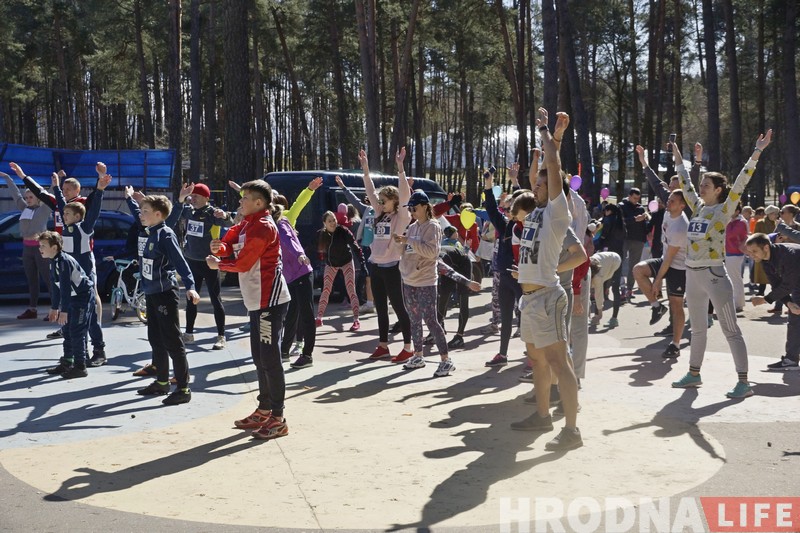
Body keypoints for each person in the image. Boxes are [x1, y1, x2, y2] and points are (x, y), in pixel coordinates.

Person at [670, 132, 772, 399]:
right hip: (693, 276)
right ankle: (694, 374)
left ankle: (744, 382)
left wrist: (757, 151)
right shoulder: (698, 208)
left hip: (715, 275)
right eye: (701, 184)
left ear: (718, 190)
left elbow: (741, 182)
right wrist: (679, 158)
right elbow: (685, 184)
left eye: (706, 184)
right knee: (699, 329)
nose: (700, 187)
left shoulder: (724, 209)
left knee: (730, 329)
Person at [510, 108, 582, 451]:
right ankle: (542, 415)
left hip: (548, 296)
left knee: (558, 362)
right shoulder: (537, 210)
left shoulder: (557, 210)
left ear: (554, 189)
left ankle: (572, 430)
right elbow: (545, 167)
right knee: (538, 361)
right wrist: (550, 141)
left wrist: (548, 131)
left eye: (539, 184)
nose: (534, 186)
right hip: (530, 297)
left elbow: (552, 168)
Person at [206, 180, 291, 440]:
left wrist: (218, 264)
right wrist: (218, 248)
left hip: (270, 301)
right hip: (255, 300)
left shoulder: (264, 226)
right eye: (241, 197)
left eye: (245, 198)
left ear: (259, 203)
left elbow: (242, 263)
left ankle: (278, 418)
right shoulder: (245, 224)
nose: (240, 202)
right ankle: (264, 408)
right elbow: (228, 244)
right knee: (259, 357)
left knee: (270, 359)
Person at [135, 195, 200, 406]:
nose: (141, 214)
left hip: (165, 294)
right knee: (155, 338)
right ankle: (162, 382)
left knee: (173, 340)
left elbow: (180, 263)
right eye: (141, 210)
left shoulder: (165, 234)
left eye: (145, 211)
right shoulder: (151, 233)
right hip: (152, 294)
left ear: (158, 215)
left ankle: (183, 388)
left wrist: (191, 286)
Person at [359, 148, 413, 362]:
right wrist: (365, 169)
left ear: (394, 200)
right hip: (375, 265)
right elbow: (370, 192)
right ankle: (383, 346)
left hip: (392, 266)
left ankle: (408, 347)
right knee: (381, 308)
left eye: (384, 200)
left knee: (399, 307)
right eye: (379, 200)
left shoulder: (401, 216)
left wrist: (400, 168)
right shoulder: (380, 214)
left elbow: (406, 195)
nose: (379, 202)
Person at [53, 166, 110, 368]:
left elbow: (93, 210)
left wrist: (100, 188)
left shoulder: (85, 227)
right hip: (71, 277)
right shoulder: (66, 229)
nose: (63, 215)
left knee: (90, 314)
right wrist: (56, 188)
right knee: (70, 314)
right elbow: (60, 203)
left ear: (77, 216)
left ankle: (99, 350)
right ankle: (76, 354)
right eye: (63, 213)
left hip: (85, 275)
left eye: (67, 214)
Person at [393, 187, 454, 376]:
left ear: (425, 206)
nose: (411, 212)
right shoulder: (412, 227)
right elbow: (404, 252)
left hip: (426, 281)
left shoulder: (433, 226)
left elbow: (432, 253)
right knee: (414, 320)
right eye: (409, 209)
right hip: (408, 279)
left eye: (414, 208)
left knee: (431, 320)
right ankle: (418, 355)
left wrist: (409, 242)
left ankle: (446, 360)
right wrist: (399, 244)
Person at [175, 182, 234, 350]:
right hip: (191, 261)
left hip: (209, 262)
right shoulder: (189, 211)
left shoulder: (211, 213)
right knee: (191, 299)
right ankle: (188, 333)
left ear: (206, 198)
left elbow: (229, 223)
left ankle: (221, 336)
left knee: (216, 300)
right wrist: (181, 198)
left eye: (196, 196)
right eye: (192, 196)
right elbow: (176, 211)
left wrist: (224, 216)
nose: (192, 199)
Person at [631, 188, 689, 358]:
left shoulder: (680, 227)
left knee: (676, 305)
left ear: (682, 206)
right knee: (638, 270)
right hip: (665, 260)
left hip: (678, 268)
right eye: (669, 199)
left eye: (672, 201)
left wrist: (657, 281)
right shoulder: (666, 214)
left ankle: (675, 344)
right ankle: (657, 307)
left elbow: (671, 259)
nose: (668, 202)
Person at [39, 231, 96, 379]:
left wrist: (63, 310)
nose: (40, 249)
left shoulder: (63, 261)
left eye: (43, 245)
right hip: (71, 297)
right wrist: (54, 307)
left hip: (82, 297)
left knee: (77, 331)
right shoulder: (53, 261)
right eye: (40, 245)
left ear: (55, 247)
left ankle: (80, 366)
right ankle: (68, 361)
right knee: (67, 329)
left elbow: (65, 286)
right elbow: (55, 286)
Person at [745, 233, 800, 371]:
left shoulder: (788, 255)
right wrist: (788, 303)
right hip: (797, 283)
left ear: (766, 248)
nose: (751, 255)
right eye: (749, 252)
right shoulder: (765, 260)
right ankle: (791, 360)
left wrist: (765, 299)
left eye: (754, 251)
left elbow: (787, 285)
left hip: (795, 282)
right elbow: (776, 284)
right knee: (795, 317)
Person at [1, 171, 51, 319]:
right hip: (27, 248)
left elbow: (50, 196)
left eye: (31, 197)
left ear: (38, 198)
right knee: (31, 280)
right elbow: (16, 195)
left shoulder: (44, 208)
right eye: (27, 197)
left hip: (41, 248)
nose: (28, 199)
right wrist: (7, 178)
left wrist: (56, 182)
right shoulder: (24, 209)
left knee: (48, 279)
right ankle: (32, 309)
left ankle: (56, 308)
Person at [315, 210, 363, 332]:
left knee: (351, 289)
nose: (333, 223)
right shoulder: (321, 234)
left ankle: (356, 320)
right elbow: (312, 248)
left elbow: (354, 245)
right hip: (331, 264)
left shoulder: (343, 231)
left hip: (346, 261)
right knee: (326, 289)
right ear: (324, 223)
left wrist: (362, 262)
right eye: (330, 221)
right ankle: (319, 318)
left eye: (334, 220)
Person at [596, 202, 626, 327]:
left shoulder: (607, 221)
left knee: (599, 283)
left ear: (609, 211)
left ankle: (598, 314)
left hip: (605, 255)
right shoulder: (621, 223)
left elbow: (603, 236)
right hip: (618, 256)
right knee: (616, 287)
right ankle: (614, 318)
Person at [619, 187, 649, 299]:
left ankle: (629, 289)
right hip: (625, 238)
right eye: (635, 198)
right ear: (629, 196)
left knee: (634, 265)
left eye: (638, 198)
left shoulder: (640, 208)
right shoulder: (621, 206)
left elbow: (644, 225)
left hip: (638, 240)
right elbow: (621, 222)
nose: (636, 200)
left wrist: (647, 232)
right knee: (620, 262)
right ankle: (620, 286)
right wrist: (634, 219)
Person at [725, 204, 749, 312]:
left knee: (735, 279)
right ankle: (737, 302)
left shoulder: (740, 222)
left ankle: (738, 303)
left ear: (737, 211)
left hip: (735, 252)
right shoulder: (733, 221)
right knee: (733, 278)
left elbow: (730, 234)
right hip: (730, 252)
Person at [588, 251, 622, 326]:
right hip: (604, 263)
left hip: (615, 261)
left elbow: (598, 294)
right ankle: (596, 319)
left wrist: (600, 314)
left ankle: (614, 319)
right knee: (598, 288)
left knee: (615, 289)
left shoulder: (597, 277)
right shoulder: (583, 269)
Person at [753, 205, 779, 296]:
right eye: (774, 214)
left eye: (776, 214)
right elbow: (755, 236)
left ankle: (775, 292)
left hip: (774, 251)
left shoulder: (777, 223)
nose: (776, 216)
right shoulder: (760, 223)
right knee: (762, 271)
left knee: (774, 272)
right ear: (769, 214)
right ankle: (761, 291)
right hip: (762, 250)